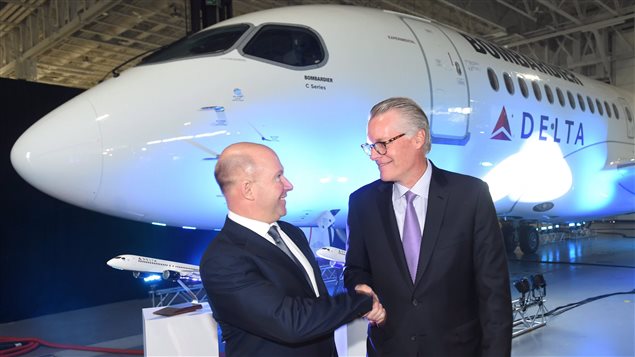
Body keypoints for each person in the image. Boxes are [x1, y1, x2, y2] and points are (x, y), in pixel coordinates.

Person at [344, 97, 512, 356]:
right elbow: (355, 268)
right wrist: (359, 288)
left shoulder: (470, 195)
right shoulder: (362, 203)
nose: (374, 155)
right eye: (370, 146)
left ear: (418, 138)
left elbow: (494, 293)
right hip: (389, 349)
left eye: (382, 144)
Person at [200, 142, 385, 356]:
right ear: (248, 189)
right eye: (278, 177)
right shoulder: (222, 259)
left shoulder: (291, 233)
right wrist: (362, 301)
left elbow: (316, 306)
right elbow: (292, 323)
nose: (289, 185)